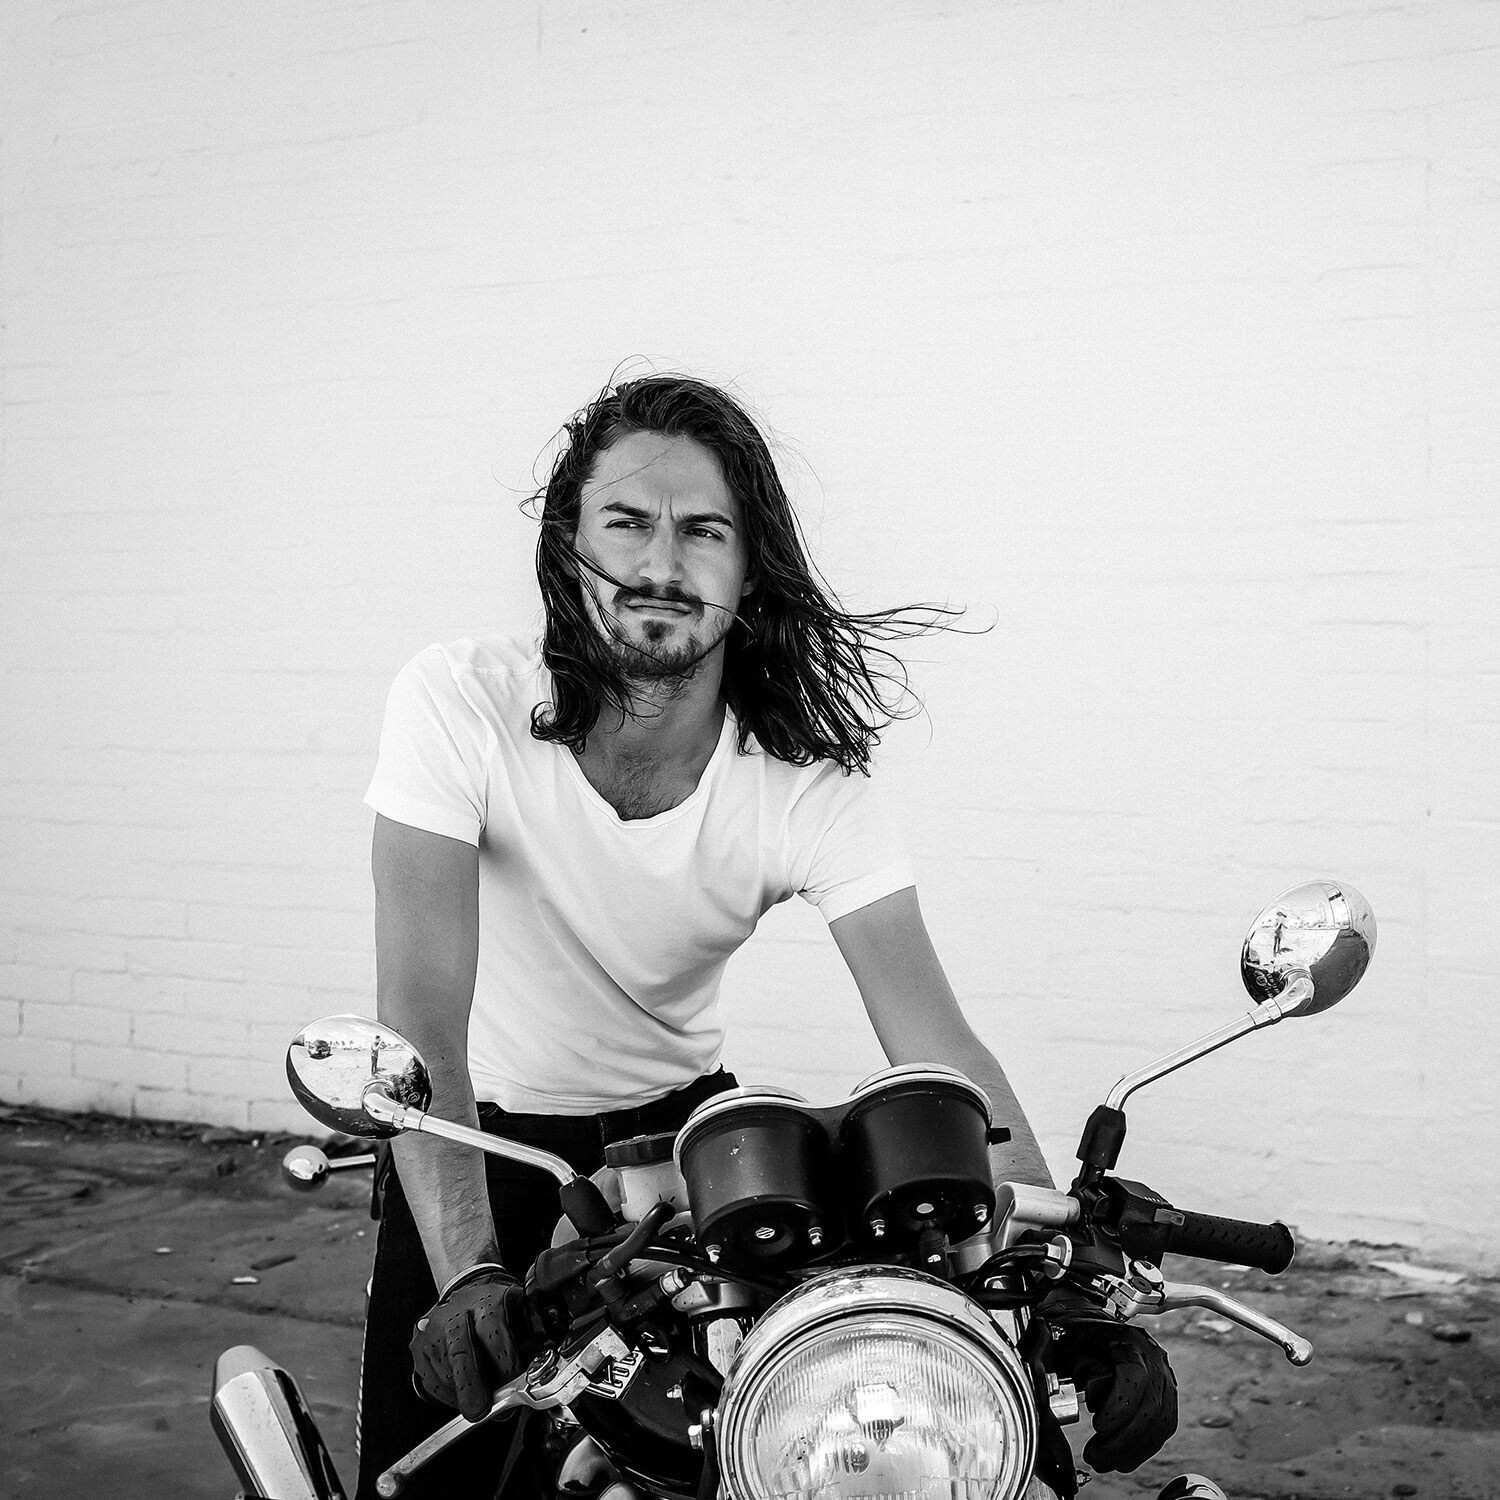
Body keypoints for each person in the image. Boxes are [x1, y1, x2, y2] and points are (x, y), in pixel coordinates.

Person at [354, 374, 1175, 1498]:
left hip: (683, 1149)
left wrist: (1060, 1277)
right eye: (626, 523)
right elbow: (419, 1015)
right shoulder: (460, 703)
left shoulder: (803, 783)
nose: (661, 563)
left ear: (749, 569)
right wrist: (467, 1273)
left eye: (704, 531)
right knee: (434, 1472)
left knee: (764, 1452)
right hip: (479, 1138)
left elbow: (939, 1045)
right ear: (568, 547)